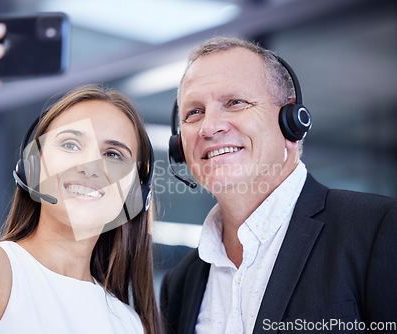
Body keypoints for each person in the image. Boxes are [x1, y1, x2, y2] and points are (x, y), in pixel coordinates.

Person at [0, 5, 162, 334]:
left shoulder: (129, 323)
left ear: (134, 194)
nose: (90, 167)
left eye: (113, 154)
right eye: (70, 144)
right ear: (31, 168)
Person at [160, 36, 397, 333]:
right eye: (194, 112)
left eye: (235, 102)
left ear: (291, 122)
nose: (209, 127)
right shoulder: (180, 283)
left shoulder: (377, 229)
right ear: (178, 145)